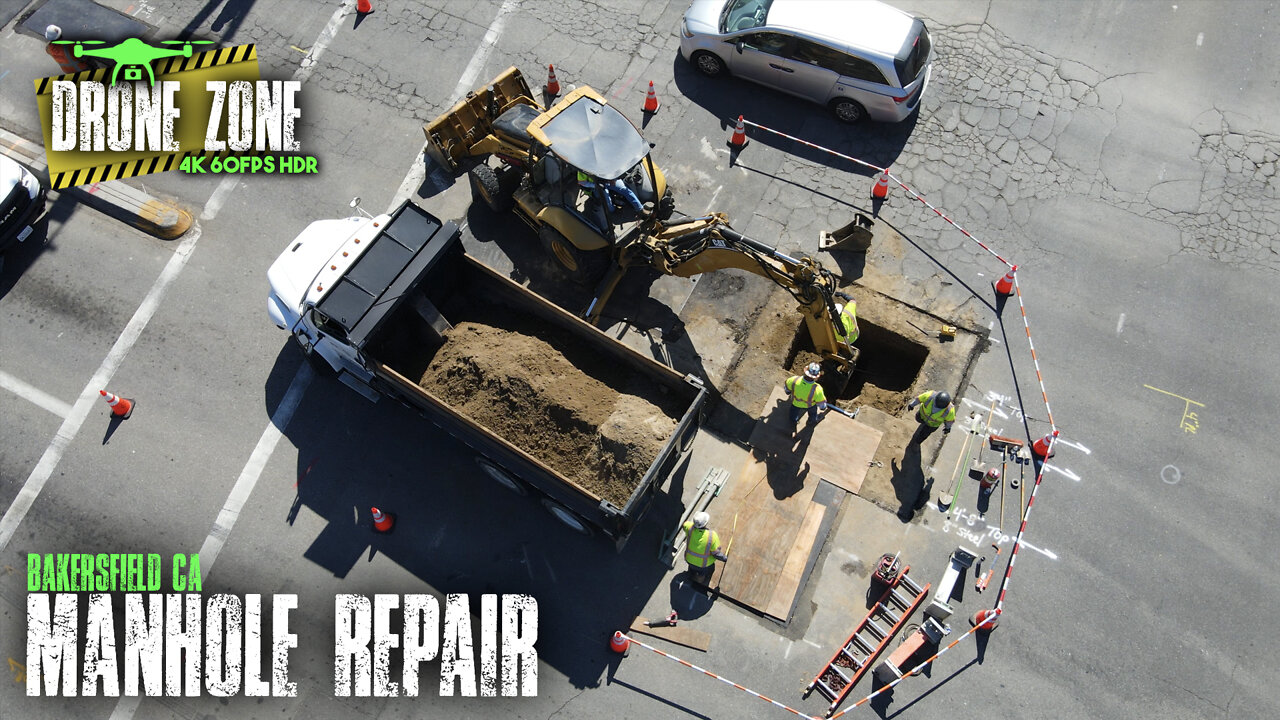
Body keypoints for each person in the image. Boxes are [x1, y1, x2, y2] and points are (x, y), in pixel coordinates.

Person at [682, 511, 727, 581]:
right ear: (706, 523)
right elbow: (716, 554)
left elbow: (684, 524)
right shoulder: (712, 536)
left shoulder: (689, 528)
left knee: (692, 568)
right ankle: (699, 581)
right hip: (703, 565)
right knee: (703, 573)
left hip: (689, 559)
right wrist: (724, 558)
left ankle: (691, 574)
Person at [784, 362, 828, 432]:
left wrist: (788, 392)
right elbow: (822, 404)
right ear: (817, 376)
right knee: (813, 413)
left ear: (806, 371)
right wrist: (823, 408)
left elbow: (787, 389)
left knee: (793, 413)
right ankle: (811, 421)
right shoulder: (817, 389)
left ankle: (793, 421)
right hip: (810, 406)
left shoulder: (794, 380)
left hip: (796, 403)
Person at [577, 170, 646, 214]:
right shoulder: (583, 169)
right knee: (606, 198)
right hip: (595, 186)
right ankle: (613, 211)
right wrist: (596, 185)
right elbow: (582, 182)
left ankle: (640, 208)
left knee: (624, 189)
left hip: (608, 180)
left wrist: (613, 179)